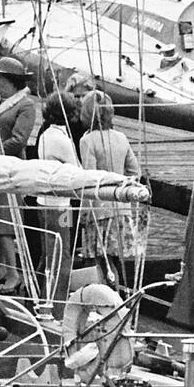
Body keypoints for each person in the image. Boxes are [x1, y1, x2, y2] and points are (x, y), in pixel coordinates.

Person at [0, 56, 38, 294]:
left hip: (9, 168)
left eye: (0, 78)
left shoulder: (25, 105)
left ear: (12, 82)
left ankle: (13, 274)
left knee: (3, 225)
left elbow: (19, 139)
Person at [78, 90, 142, 292]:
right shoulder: (121, 137)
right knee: (115, 258)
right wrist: (121, 185)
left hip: (99, 210)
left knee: (102, 261)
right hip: (121, 208)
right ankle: (119, 293)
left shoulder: (88, 140)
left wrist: (83, 212)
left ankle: (111, 295)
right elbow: (135, 171)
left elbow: (89, 178)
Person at [35, 92, 80, 304]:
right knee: (62, 256)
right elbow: (77, 171)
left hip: (43, 203)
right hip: (61, 207)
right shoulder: (62, 140)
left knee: (47, 255)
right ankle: (57, 305)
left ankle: (41, 297)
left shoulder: (45, 135)